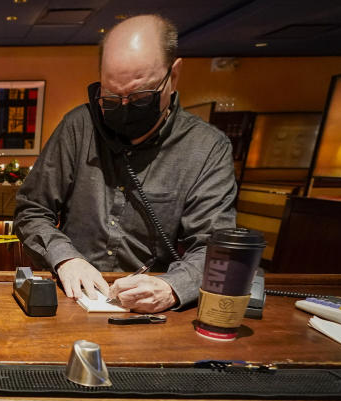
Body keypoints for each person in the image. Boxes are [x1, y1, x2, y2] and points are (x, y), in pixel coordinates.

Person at [14, 14, 236, 312]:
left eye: (140, 96)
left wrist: (172, 287)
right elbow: (31, 210)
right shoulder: (78, 127)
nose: (125, 107)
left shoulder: (207, 147)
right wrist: (66, 257)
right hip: (71, 297)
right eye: (111, 98)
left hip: (152, 309)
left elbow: (214, 249)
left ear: (174, 74)